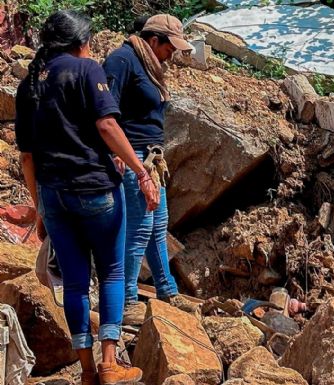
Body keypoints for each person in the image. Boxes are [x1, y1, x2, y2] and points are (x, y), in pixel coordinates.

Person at [15, 10, 159, 385]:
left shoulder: (29, 83)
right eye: (90, 40)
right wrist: (142, 172)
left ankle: (87, 371)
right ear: (80, 41)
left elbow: (27, 157)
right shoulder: (86, 70)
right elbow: (107, 124)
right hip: (96, 190)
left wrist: (41, 209)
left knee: (75, 283)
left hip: (54, 195)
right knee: (111, 271)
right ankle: (110, 364)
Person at [103, 14, 197, 326]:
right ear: (153, 40)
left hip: (153, 156)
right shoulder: (122, 60)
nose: (173, 54)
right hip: (132, 155)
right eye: (170, 47)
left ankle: (168, 291)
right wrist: (115, 153)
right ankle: (128, 300)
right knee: (140, 227)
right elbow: (105, 112)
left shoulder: (151, 66)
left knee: (158, 225)